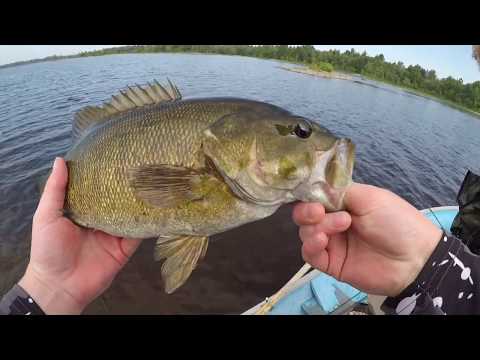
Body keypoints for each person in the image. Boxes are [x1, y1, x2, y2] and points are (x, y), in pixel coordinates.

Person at [2, 46, 480, 315]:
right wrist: (47, 282)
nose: (310, 140)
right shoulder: (216, 170)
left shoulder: (247, 189)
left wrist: (50, 291)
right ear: (225, 140)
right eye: (298, 132)